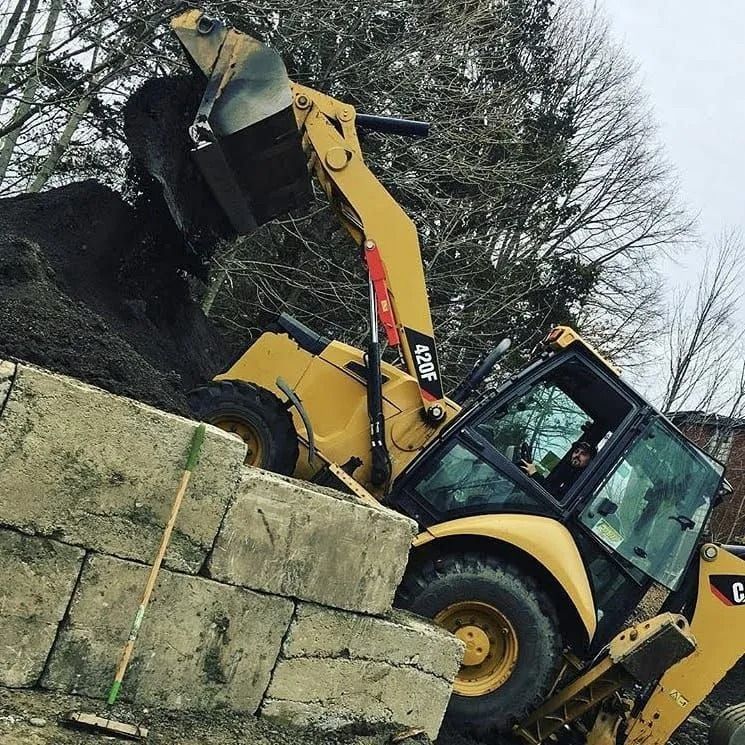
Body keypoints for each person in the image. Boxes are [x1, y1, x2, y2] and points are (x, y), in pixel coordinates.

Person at [520, 440, 596, 499]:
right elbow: (548, 485)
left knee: (516, 498)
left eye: (583, 454)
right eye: (576, 451)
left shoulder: (582, 481)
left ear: (590, 460)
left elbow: (553, 497)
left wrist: (534, 474)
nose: (577, 455)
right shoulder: (565, 469)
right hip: (540, 499)